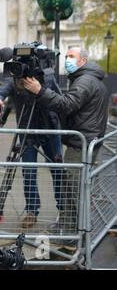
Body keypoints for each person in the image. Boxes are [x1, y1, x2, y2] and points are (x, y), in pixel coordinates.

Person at [23, 47, 109, 236]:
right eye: (67, 56)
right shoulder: (89, 79)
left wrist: (40, 91)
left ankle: (72, 235)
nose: (67, 60)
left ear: (83, 61)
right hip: (85, 141)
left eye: (71, 57)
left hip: (81, 144)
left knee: (73, 192)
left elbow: (66, 105)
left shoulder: (85, 81)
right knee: (73, 189)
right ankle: (69, 227)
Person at [0, 66, 64, 229]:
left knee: (58, 171)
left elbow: (61, 101)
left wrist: (40, 89)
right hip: (26, 130)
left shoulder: (47, 76)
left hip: (50, 129)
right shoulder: (14, 78)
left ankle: (64, 211)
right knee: (29, 172)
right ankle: (32, 210)